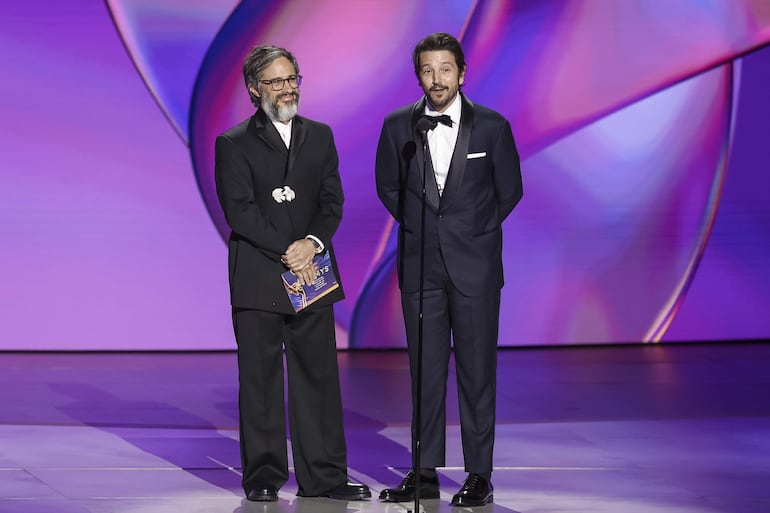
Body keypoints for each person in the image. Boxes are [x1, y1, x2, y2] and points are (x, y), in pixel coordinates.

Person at [215, 44, 370, 503]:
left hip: (312, 273)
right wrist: (287, 248)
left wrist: (312, 245)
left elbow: (331, 201)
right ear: (253, 88)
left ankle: (323, 476)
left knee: (318, 377)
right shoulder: (234, 142)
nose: (286, 88)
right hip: (261, 274)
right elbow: (239, 212)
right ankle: (263, 476)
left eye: (292, 78)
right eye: (275, 81)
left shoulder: (319, 135)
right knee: (260, 380)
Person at [375, 32, 523, 506]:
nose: (436, 79)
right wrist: (427, 231)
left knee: (477, 374)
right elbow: (388, 187)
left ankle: (479, 473)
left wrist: (472, 231)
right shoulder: (400, 126)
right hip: (421, 269)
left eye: (444, 69)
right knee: (424, 373)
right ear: (417, 75)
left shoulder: (492, 127)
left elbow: (509, 191)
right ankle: (423, 471)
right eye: (426, 70)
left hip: (475, 269)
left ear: (462, 72)